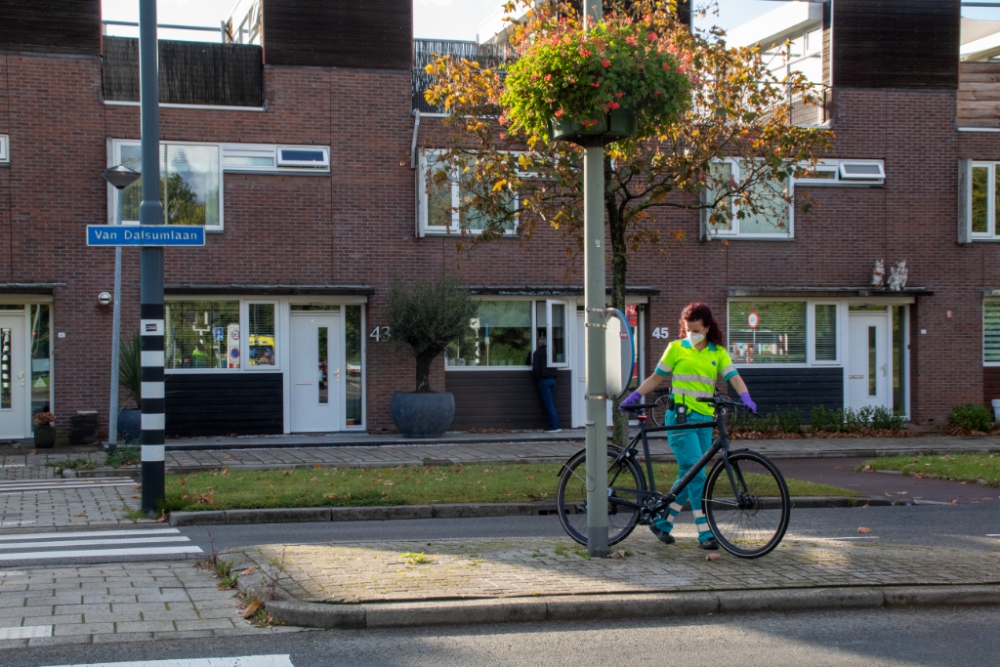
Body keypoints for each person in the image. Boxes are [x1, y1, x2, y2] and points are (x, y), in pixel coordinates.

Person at [620, 302, 756, 551]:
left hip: (705, 421)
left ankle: (662, 522)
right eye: (686, 328)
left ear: (706, 328)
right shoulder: (675, 348)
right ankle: (705, 533)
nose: (689, 333)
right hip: (680, 419)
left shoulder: (718, 353)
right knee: (698, 476)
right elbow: (656, 377)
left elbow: (733, 377)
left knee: (690, 475)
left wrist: (745, 397)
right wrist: (633, 396)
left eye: (694, 329)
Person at [532, 332, 561, 433]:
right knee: (550, 404)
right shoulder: (551, 352)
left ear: (539, 343)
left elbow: (535, 368)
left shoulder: (537, 353)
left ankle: (555, 426)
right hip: (553, 380)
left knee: (548, 404)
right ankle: (554, 423)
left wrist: (538, 380)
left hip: (544, 381)